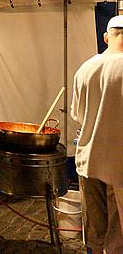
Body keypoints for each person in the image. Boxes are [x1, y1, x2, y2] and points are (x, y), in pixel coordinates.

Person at [71, 15, 123, 253]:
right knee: (118, 234)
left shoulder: (86, 68)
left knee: (95, 229)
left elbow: (79, 115)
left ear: (106, 37)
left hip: (89, 158)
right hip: (119, 163)